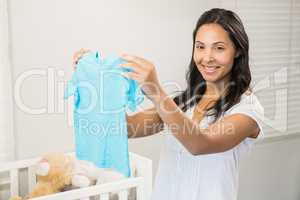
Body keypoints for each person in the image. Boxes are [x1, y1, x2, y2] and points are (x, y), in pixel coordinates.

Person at [72, 8, 264, 200]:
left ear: (237, 51)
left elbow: (200, 144)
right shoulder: (184, 103)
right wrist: (94, 80)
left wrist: (156, 91)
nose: (207, 57)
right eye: (200, 46)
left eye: (219, 48)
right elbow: (126, 128)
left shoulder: (247, 110)